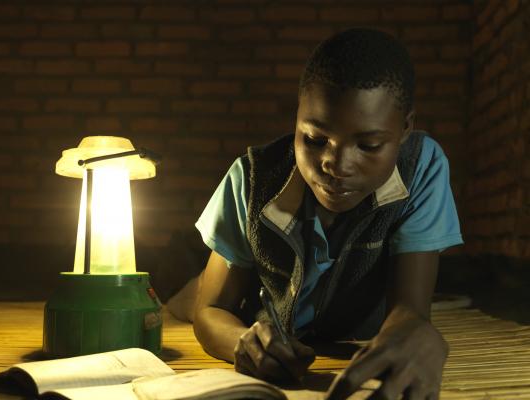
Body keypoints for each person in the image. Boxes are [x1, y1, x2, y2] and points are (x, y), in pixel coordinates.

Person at [168, 28, 463, 400]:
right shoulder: (250, 178)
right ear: (297, 117)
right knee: (182, 300)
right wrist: (243, 340)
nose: (336, 165)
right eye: (315, 139)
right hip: (257, 302)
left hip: (344, 323)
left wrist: (415, 331)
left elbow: (410, 310)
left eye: (369, 145)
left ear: (405, 128)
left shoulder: (421, 167)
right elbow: (211, 310)